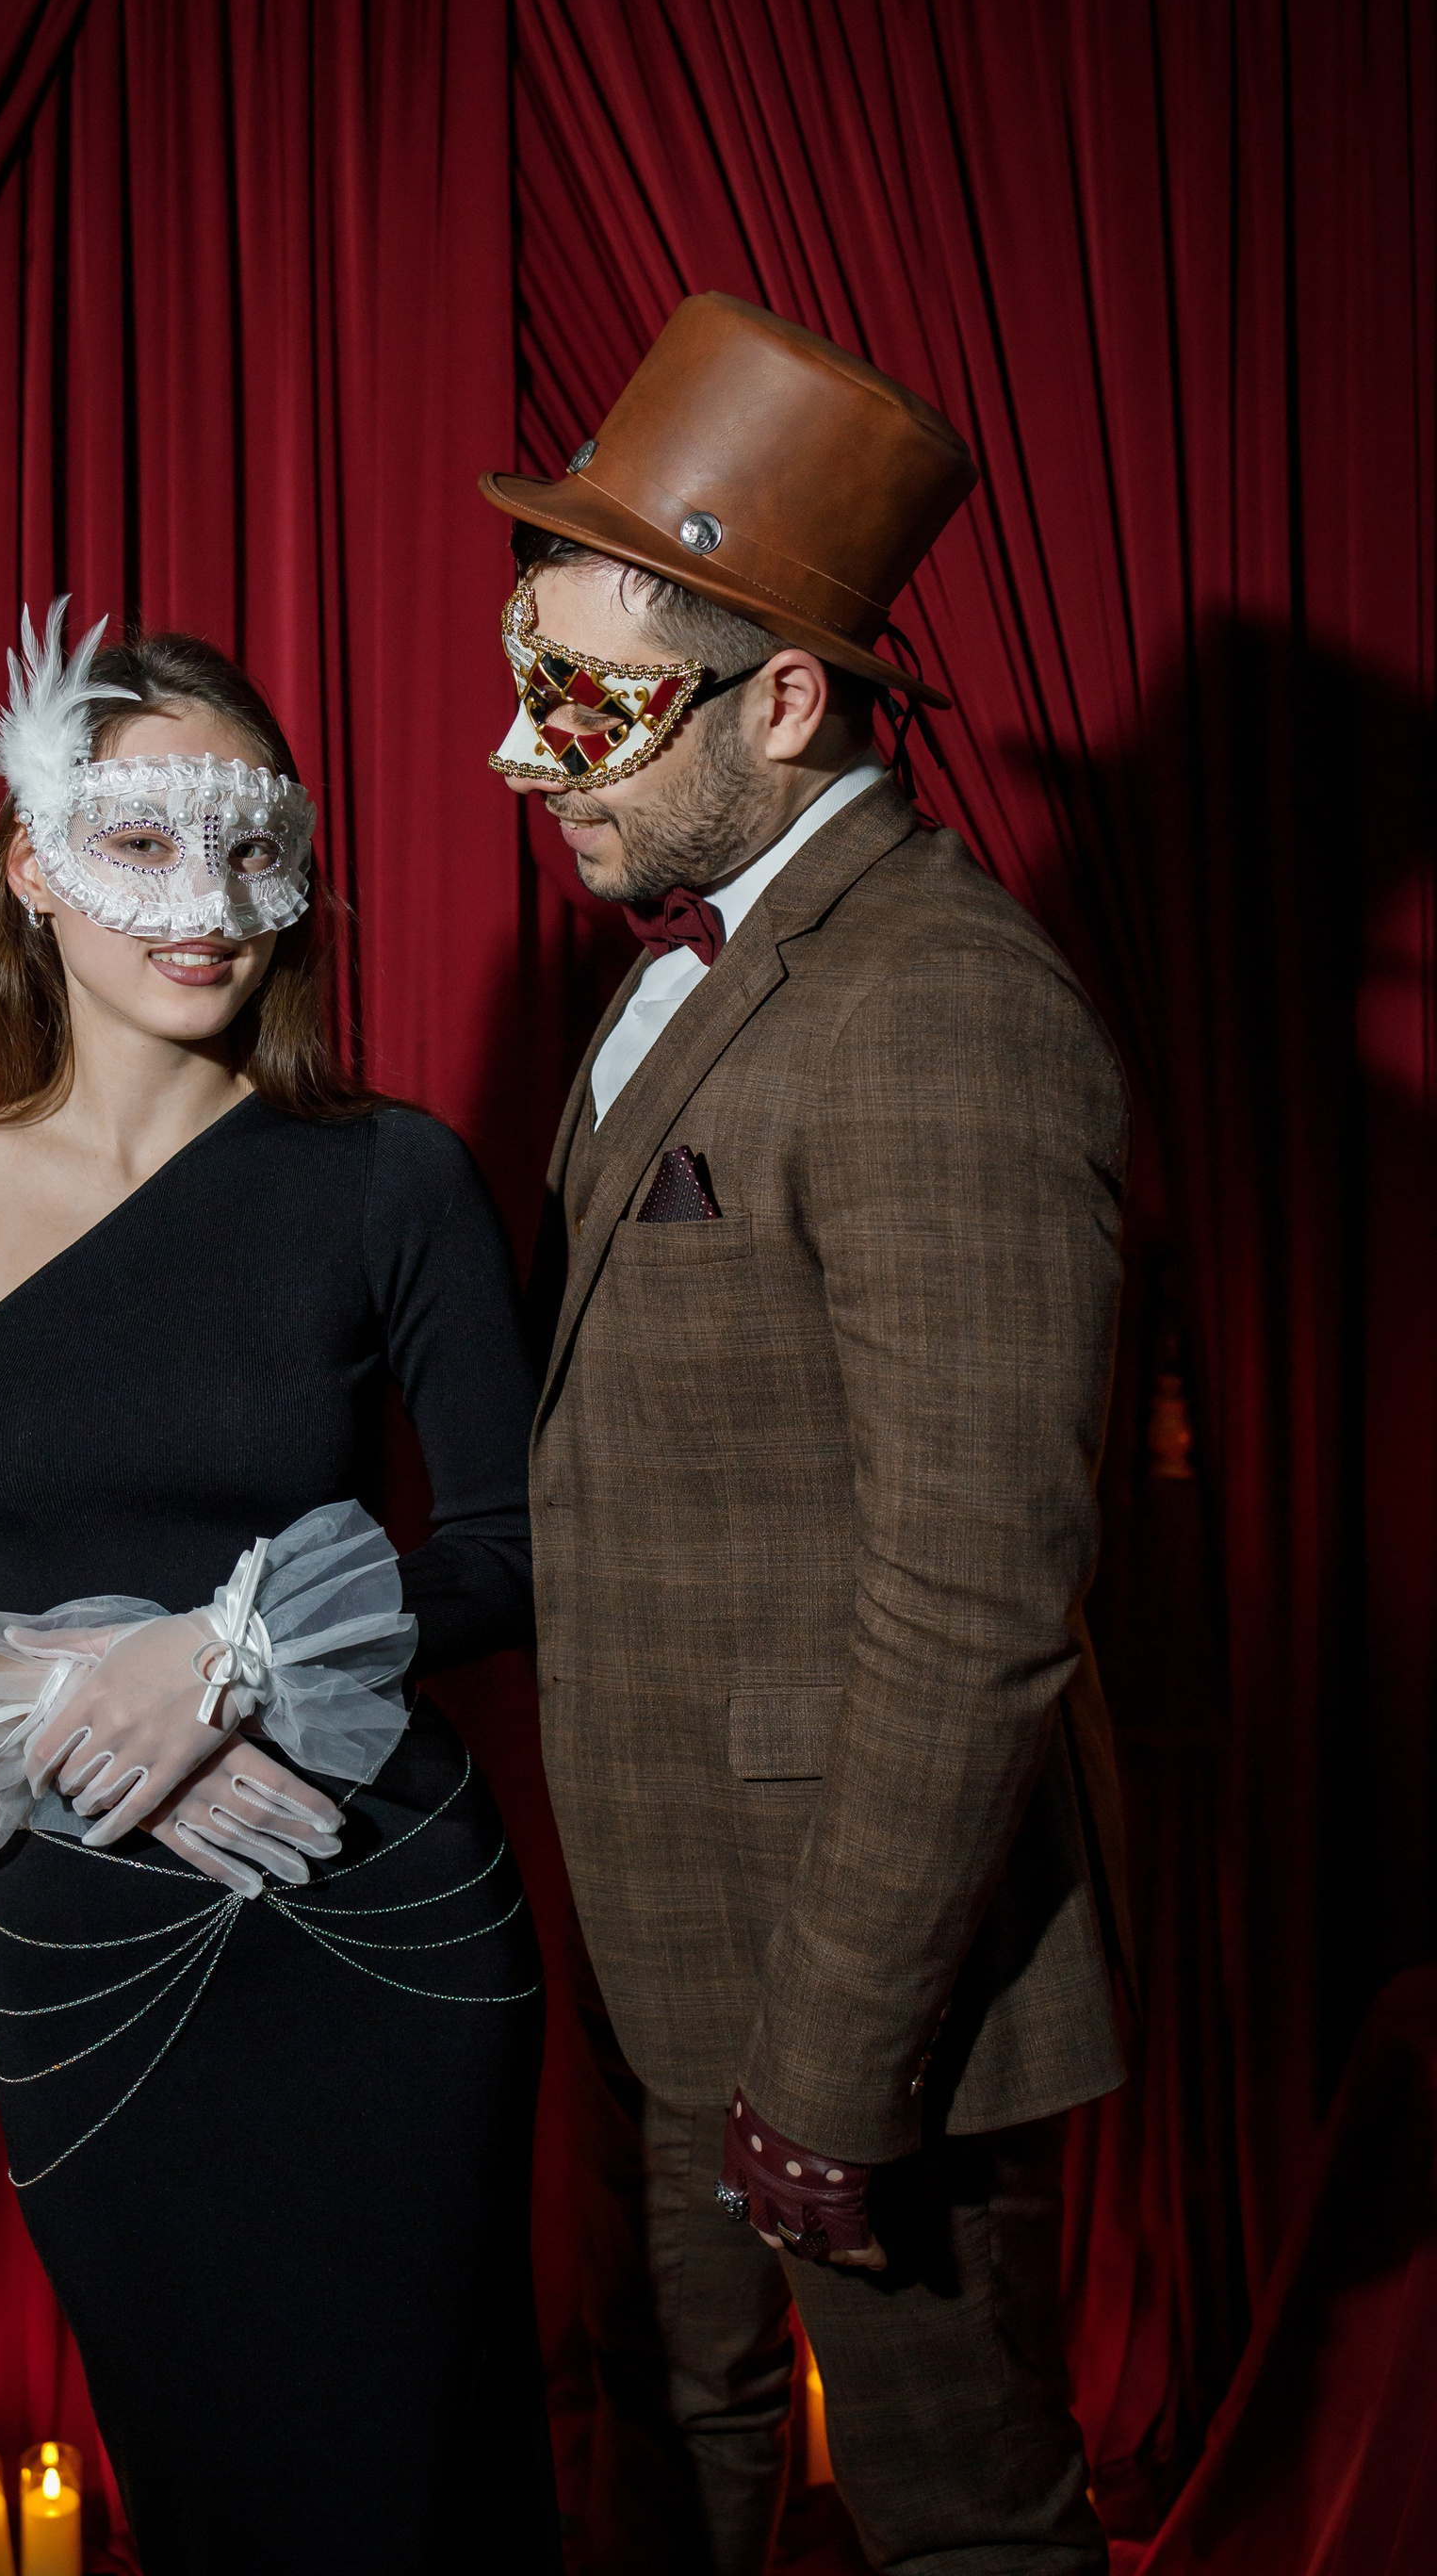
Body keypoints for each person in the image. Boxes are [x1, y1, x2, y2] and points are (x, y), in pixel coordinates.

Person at [0, 608, 558, 2576]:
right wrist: (75, 1705)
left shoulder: (391, 1177)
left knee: (425, 2496)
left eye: (249, 846)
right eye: (139, 842)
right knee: (215, 2499)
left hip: (380, 1917)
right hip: (95, 1943)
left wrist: (230, 1659)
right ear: (33, 865)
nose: (205, 905)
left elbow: (517, 1545)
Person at [481, 292, 1130, 2573]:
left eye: (581, 703)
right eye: (521, 679)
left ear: (778, 700)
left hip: (873, 1994)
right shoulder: (691, 963)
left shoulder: (943, 1008)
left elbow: (974, 1599)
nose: (518, 753)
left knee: (961, 2524)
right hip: (667, 1941)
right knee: (666, 2464)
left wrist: (840, 2070)